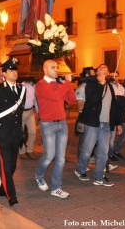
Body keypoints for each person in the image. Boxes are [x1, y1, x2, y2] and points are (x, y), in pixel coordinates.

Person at [0, 58, 26, 207]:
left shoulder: (22, 89)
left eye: (16, 70)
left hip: (15, 134)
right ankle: (11, 195)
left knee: (12, 165)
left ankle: (3, 187)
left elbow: (19, 113)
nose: (15, 73)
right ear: (5, 73)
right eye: (11, 70)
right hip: (1, 133)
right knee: (5, 165)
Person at [75, 64, 122, 187]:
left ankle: (99, 177)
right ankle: (80, 170)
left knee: (103, 152)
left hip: (106, 124)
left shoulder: (110, 87)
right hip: (93, 123)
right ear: (97, 72)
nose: (105, 70)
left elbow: (114, 107)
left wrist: (118, 123)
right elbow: (92, 100)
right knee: (87, 150)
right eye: (102, 68)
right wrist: (100, 84)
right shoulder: (91, 84)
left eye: (106, 69)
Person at [35, 60, 75, 199]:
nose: (56, 70)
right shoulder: (40, 85)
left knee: (61, 158)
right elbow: (55, 96)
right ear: (45, 69)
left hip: (62, 124)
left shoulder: (59, 85)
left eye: (57, 67)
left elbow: (71, 100)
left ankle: (56, 188)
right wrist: (67, 83)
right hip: (48, 125)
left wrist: (67, 85)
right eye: (53, 67)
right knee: (49, 156)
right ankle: (39, 176)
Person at [109, 71, 125, 161]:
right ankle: (110, 153)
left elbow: (123, 103)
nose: (114, 78)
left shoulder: (121, 88)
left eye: (116, 76)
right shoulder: (109, 87)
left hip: (120, 114)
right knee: (112, 136)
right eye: (112, 76)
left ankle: (115, 150)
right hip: (112, 115)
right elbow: (114, 104)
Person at [19, 81, 37, 159]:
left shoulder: (34, 86)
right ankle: (22, 151)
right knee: (21, 133)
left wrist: (37, 110)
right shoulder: (20, 86)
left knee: (33, 132)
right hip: (21, 112)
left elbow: (35, 99)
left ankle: (30, 150)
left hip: (30, 111)